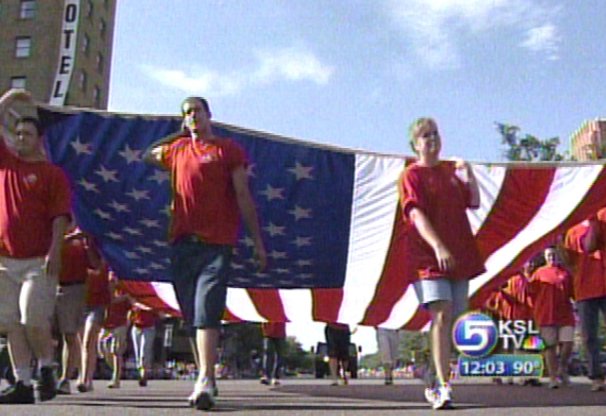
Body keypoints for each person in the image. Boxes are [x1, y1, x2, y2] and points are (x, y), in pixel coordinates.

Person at [143, 96, 267, 410]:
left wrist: (257, 241)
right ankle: (204, 374)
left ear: (209, 115)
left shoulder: (227, 150)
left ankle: (206, 381)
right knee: (191, 315)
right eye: (186, 113)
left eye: (197, 111)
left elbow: (242, 194)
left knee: (207, 309)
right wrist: (177, 132)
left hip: (217, 243)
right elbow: (148, 155)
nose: (192, 116)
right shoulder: (177, 150)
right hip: (182, 243)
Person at [398, 117, 484, 409]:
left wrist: (468, 173)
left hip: (459, 255)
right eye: (425, 136)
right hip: (428, 257)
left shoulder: (450, 174)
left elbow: (473, 201)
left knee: (453, 323)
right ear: (415, 144)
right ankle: (443, 386)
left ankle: (432, 373)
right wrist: (437, 246)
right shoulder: (412, 175)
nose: (432, 139)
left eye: (435, 134)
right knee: (442, 314)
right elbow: (415, 214)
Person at [0, 89, 71, 404]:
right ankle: (22, 383)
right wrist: (9, 99)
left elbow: (60, 218)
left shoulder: (52, 174)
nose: (20, 138)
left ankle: (46, 366)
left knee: (32, 319)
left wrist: (55, 252)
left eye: (27, 133)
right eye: (16, 134)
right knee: (10, 322)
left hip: (37, 261)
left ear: (39, 139)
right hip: (4, 260)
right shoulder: (6, 164)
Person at [564, 211, 606, 391]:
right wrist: (593, 223)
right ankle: (596, 376)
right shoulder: (573, 230)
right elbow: (588, 246)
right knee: (589, 335)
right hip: (585, 289)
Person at [527, 247, 575, 389]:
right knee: (550, 346)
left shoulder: (565, 273)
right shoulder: (539, 273)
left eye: (553, 255)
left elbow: (573, 292)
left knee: (567, 343)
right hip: (546, 314)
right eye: (549, 255)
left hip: (565, 313)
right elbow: (531, 292)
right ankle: (553, 377)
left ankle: (562, 367)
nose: (551, 257)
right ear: (544, 257)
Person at [55, 227, 91, 394]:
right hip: (48, 284)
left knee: (69, 335)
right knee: (35, 328)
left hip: (74, 288)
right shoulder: (53, 232)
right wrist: (67, 238)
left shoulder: (83, 238)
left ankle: (65, 378)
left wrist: (88, 243)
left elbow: (96, 264)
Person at [77, 256, 109, 393]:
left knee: (88, 341)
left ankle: (87, 379)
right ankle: (82, 374)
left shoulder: (107, 251)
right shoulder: (77, 246)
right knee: (79, 343)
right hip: (80, 301)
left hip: (98, 303)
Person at [99, 276, 131, 389]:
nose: (112, 282)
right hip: (106, 324)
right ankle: (118, 370)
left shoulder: (125, 290)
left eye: (113, 280)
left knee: (116, 350)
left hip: (120, 323)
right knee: (102, 350)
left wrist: (128, 322)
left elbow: (131, 306)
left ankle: (116, 378)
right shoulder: (103, 292)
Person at [130, 303, 158, 387]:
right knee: (138, 352)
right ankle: (140, 371)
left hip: (148, 327)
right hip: (136, 327)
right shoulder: (135, 301)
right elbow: (130, 313)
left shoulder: (151, 301)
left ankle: (144, 374)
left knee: (144, 351)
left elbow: (159, 313)